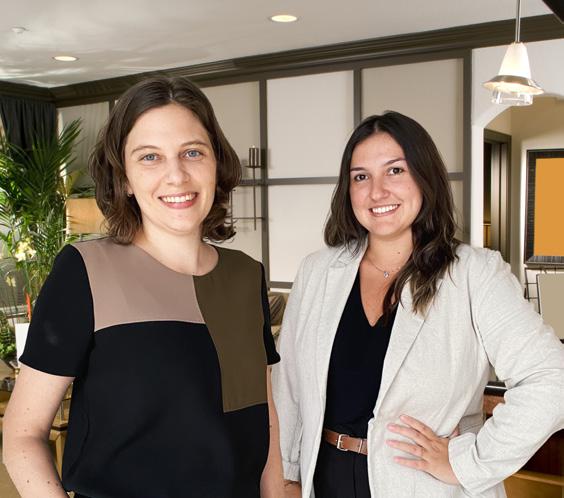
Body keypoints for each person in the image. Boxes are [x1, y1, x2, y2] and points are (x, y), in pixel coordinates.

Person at [3, 76, 283, 498]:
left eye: (193, 152)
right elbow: (23, 434)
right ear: (125, 179)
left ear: (217, 163)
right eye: (150, 157)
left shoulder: (246, 275)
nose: (176, 175)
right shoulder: (85, 270)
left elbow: (264, 419)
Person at [272, 111, 564, 498]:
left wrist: (468, 461)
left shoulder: (474, 273)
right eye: (361, 177)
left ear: (425, 177)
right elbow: (287, 389)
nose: (377, 191)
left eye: (395, 171)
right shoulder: (317, 271)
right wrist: (287, 477)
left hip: (427, 487)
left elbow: (552, 379)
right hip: (324, 481)